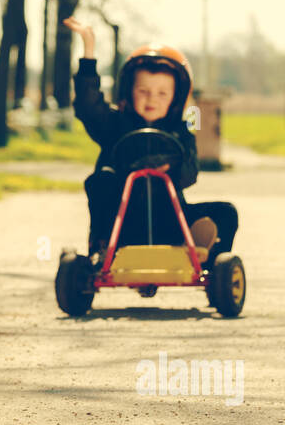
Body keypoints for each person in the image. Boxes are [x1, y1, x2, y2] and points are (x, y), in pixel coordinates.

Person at [62, 17, 237, 265]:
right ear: (128, 92)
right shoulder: (114, 124)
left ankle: (207, 262)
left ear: (175, 99)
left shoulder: (180, 131)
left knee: (226, 213)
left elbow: (191, 172)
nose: (151, 99)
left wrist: (172, 169)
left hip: (169, 222)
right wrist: (89, 53)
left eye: (162, 93)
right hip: (121, 226)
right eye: (143, 91)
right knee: (102, 179)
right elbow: (88, 106)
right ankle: (100, 252)